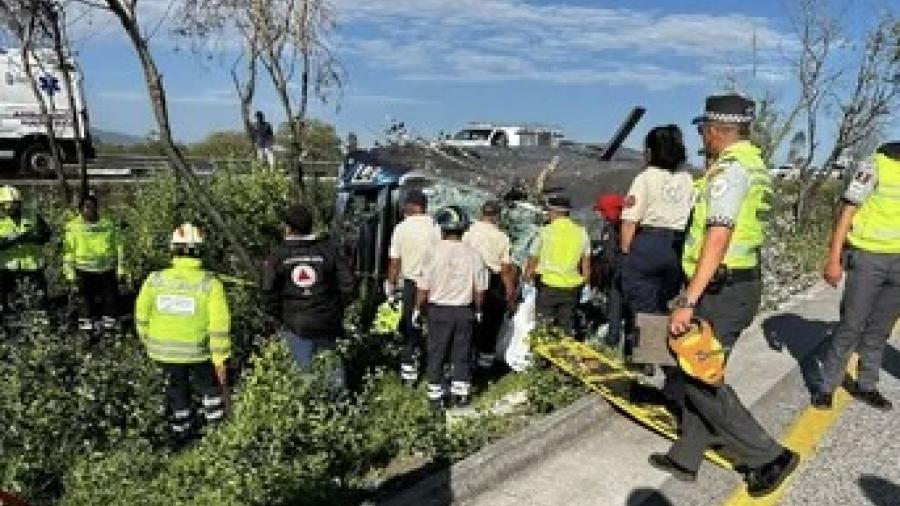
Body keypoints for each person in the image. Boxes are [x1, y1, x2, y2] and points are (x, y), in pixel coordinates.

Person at [650, 94, 797, 496]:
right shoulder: (755, 165)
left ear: (716, 130)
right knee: (697, 369)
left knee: (699, 376)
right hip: (737, 283)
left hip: (722, 289)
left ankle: (768, 455)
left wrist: (688, 301)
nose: (703, 138)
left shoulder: (730, 173)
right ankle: (687, 455)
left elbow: (718, 237)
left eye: (704, 131)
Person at [814, 141, 900, 411]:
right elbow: (847, 212)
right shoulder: (875, 165)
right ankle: (827, 387)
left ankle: (866, 385)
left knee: (879, 330)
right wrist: (833, 259)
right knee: (851, 326)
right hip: (867, 259)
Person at [135, 223, 231, 449]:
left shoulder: (155, 279)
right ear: (199, 250)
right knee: (210, 391)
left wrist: (148, 342)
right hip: (199, 353)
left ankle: (182, 437)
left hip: (163, 353)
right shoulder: (210, 283)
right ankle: (217, 435)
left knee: (176, 395)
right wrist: (221, 359)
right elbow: (219, 325)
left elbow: (141, 315)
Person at [262, 204, 355, 385]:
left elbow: (268, 291)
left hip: (296, 324)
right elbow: (349, 285)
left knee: (303, 375)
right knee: (332, 372)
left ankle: (308, 407)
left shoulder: (278, 255)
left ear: (288, 228)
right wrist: (335, 309)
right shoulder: (329, 250)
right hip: (327, 322)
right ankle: (339, 408)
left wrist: (279, 316)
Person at [416, 206, 488, 409]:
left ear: (442, 229)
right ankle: (461, 393)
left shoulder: (432, 253)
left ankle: (435, 396)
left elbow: (423, 287)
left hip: (439, 310)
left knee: (437, 353)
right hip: (464, 311)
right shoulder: (474, 255)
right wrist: (479, 310)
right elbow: (479, 290)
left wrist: (417, 309)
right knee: (462, 352)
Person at [620, 125, 694, 315]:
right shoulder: (687, 179)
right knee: (665, 303)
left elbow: (629, 220)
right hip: (676, 246)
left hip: (648, 243)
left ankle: (643, 341)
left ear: (651, 152)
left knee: (641, 306)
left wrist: (626, 253)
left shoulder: (645, 178)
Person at [386, 189, 441, 384]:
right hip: (434, 284)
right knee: (433, 326)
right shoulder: (436, 227)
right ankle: (433, 367)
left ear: (413, 206)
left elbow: (394, 262)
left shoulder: (401, 228)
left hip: (411, 284)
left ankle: (409, 371)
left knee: (409, 327)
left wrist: (390, 286)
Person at [524, 195, 591, 335]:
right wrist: (586, 285)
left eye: (547, 211)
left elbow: (532, 260)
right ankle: (562, 355)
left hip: (547, 285)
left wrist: (527, 281)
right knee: (565, 329)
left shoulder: (544, 232)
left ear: (553, 212)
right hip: (572, 288)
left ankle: (541, 356)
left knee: (543, 328)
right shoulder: (581, 233)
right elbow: (586, 266)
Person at [462, 201, 516, 369]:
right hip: (493, 282)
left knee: (470, 323)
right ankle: (485, 365)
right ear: (497, 216)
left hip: (469, 279)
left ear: (482, 213)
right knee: (491, 324)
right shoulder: (502, 237)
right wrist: (510, 293)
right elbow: (506, 269)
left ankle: (466, 359)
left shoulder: (468, 233)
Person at [63, 191, 125, 332]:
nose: (89, 210)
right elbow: (68, 252)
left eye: (92, 206)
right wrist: (69, 274)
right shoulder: (73, 226)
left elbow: (119, 247)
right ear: (80, 209)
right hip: (83, 270)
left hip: (107, 269)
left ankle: (109, 327)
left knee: (110, 299)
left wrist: (121, 269)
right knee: (85, 300)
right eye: (85, 207)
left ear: (97, 208)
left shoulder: (108, 224)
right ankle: (86, 327)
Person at [0, 185, 51, 314]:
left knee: (39, 302)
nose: (10, 208)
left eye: (13, 204)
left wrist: (29, 238)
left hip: (33, 267)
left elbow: (46, 235)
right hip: (8, 270)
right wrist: (14, 239)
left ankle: (40, 327)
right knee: (10, 304)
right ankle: (13, 329)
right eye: (6, 205)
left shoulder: (32, 216)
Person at [593, 193, 627, 347]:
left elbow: (610, 255)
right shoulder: (633, 225)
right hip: (634, 275)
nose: (601, 215)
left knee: (615, 309)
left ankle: (612, 342)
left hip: (618, 276)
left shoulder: (612, 228)